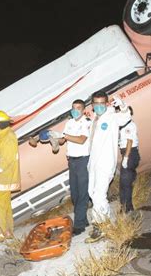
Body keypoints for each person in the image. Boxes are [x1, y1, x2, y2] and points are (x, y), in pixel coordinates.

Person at [86, 91, 131, 241]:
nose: (98, 106)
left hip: (105, 163)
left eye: (101, 103)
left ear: (106, 104)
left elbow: (125, 117)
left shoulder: (111, 116)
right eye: (95, 104)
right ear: (92, 105)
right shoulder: (95, 119)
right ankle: (105, 221)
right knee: (93, 193)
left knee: (99, 195)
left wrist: (123, 107)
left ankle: (101, 226)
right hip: (93, 162)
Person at [53, 99, 91, 236]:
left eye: (78, 108)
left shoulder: (87, 122)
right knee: (75, 194)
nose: (75, 110)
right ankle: (84, 220)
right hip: (72, 161)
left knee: (82, 194)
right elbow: (63, 140)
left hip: (83, 160)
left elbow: (81, 140)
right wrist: (55, 137)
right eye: (73, 108)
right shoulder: (69, 123)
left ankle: (79, 225)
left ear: (83, 109)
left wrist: (65, 136)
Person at [0, 110, 21, 242]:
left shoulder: (8, 137)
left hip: (3, 178)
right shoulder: (2, 136)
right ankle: (7, 232)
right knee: (4, 206)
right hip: (1, 177)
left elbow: (6, 160)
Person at [118, 107, 140, 213]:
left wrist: (126, 158)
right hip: (129, 153)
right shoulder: (124, 125)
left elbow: (129, 142)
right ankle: (125, 206)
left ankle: (127, 208)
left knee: (125, 183)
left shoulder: (129, 125)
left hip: (130, 153)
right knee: (124, 182)